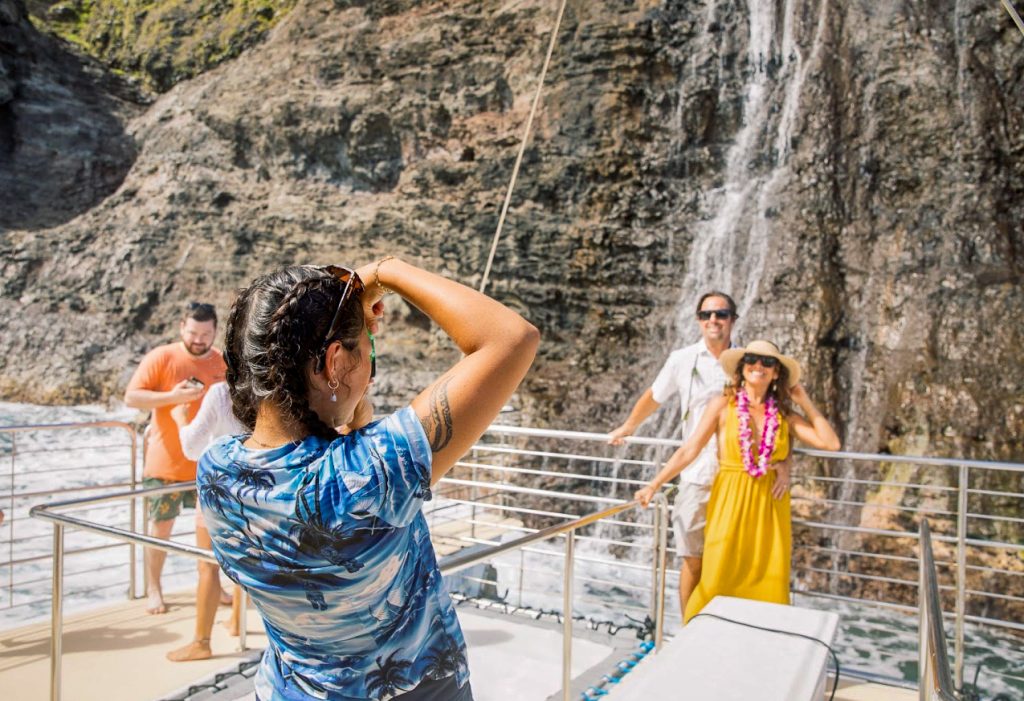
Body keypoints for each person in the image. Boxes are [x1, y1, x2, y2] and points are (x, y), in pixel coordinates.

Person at [199, 258, 538, 700]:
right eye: (367, 353)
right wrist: (385, 272)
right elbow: (511, 339)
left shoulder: (216, 470)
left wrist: (351, 414)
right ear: (333, 362)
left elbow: (309, 478)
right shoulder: (370, 471)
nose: (368, 374)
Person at [634, 340, 841, 623]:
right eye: (753, 360)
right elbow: (690, 449)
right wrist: (654, 484)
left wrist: (804, 401)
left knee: (766, 575)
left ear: (777, 373)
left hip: (769, 505)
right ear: (742, 369)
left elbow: (831, 443)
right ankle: (698, 636)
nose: (759, 366)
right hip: (729, 499)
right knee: (717, 572)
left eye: (768, 363)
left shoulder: (785, 415)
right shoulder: (722, 405)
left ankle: (758, 642)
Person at [608, 291, 737, 615]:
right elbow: (656, 395)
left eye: (721, 314)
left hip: (738, 475)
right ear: (697, 319)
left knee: (729, 559)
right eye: (706, 314)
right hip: (696, 473)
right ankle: (689, 627)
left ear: (733, 319)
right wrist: (629, 425)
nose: (713, 320)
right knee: (692, 559)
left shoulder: (748, 362)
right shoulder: (683, 358)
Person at [124, 301, 226, 615]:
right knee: (161, 529)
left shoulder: (221, 362)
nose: (198, 339)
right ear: (182, 326)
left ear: (214, 332)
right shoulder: (162, 357)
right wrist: (173, 398)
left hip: (206, 465)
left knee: (211, 533)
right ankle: (154, 588)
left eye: (205, 334)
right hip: (165, 461)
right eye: (193, 332)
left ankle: (215, 588)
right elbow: (132, 397)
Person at [166, 380, 246, 661]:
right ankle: (238, 621)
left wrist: (180, 419)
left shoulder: (222, 392)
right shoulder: (269, 385)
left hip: (218, 490)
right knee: (243, 562)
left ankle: (201, 642)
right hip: (253, 490)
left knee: (207, 567)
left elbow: (191, 447)